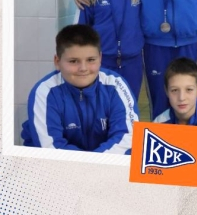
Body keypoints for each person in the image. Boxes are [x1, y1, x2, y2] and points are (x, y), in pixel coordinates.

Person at [20, 24, 139, 154]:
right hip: (56, 164)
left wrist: (94, 161)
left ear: (100, 58)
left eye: (91, 60)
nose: (83, 68)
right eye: (73, 61)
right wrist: (89, 163)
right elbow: (50, 147)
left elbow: (128, 137)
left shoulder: (115, 85)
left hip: (101, 160)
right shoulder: (45, 92)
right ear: (57, 62)